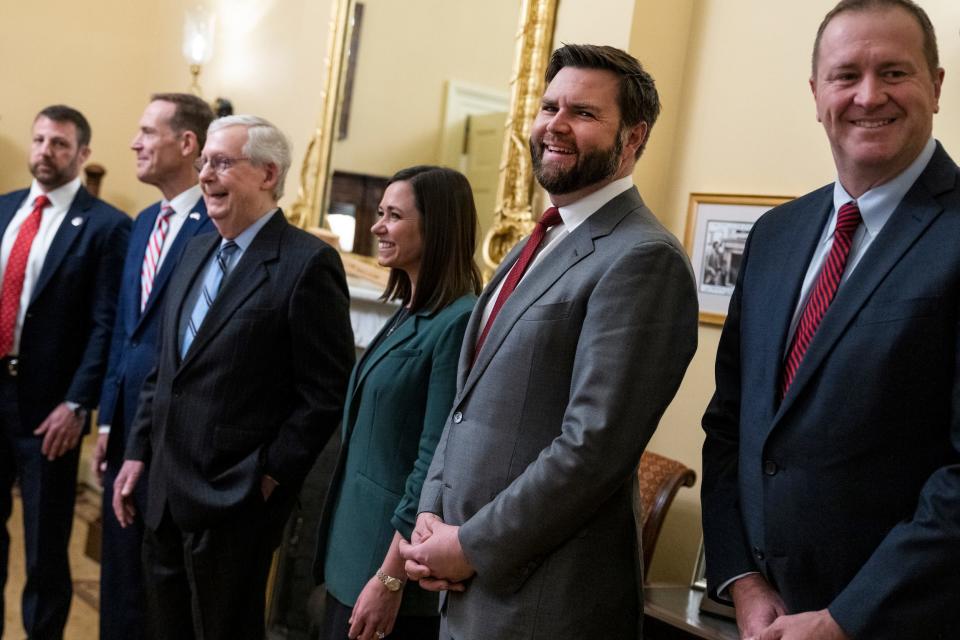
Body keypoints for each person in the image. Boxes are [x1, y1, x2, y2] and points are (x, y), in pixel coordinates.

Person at [399, 44, 698, 639]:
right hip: (466, 589)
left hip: (545, 605)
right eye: (548, 106)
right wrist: (431, 518)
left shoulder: (643, 258)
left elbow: (592, 449)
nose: (555, 125)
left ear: (634, 139)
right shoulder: (537, 240)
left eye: (583, 113)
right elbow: (465, 410)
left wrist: (471, 545)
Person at [701, 2, 960, 639]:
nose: (869, 96)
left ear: (937, 85)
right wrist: (742, 580)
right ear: (816, 95)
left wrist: (847, 619)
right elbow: (730, 424)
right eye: (846, 76)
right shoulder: (776, 235)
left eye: (894, 72)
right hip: (766, 619)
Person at [112, 114, 355, 639]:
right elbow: (166, 368)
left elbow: (324, 394)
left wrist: (267, 475)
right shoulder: (197, 248)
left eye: (221, 163)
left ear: (268, 174)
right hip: (164, 494)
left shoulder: (307, 264)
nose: (204, 176)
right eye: (203, 164)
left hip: (234, 502)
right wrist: (137, 452)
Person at [314, 165, 482, 640]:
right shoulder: (411, 307)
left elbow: (434, 462)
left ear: (436, 228)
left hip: (388, 562)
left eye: (392, 215)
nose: (376, 226)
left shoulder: (457, 321)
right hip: (352, 547)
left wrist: (390, 579)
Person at [0, 105, 130, 638]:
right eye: (39, 140)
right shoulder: (5, 208)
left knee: (44, 549)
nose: (44, 152)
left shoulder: (106, 227)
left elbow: (106, 327)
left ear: (82, 154)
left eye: (58, 143)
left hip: (49, 410)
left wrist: (78, 404)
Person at [93, 92, 215, 640]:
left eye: (148, 131)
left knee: (160, 592)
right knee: (116, 576)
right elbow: (126, 329)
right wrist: (104, 417)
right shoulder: (143, 222)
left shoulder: (216, 229)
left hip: (173, 437)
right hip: (123, 424)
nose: (134, 143)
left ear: (187, 143)